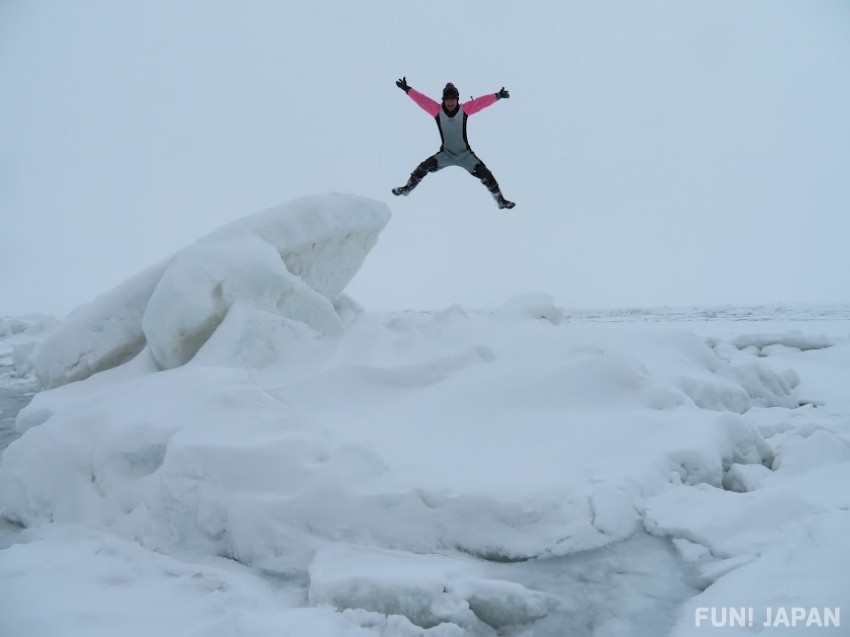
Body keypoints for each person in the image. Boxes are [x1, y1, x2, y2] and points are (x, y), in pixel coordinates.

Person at [392, 78, 515, 209]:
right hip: (446, 154)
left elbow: (481, 102)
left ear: (457, 99)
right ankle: (406, 189)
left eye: (453, 99)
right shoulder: (437, 111)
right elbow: (422, 100)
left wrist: (498, 95)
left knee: (486, 174)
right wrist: (407, 89)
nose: (450, 102)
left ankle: (500, 201)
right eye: (447, 99)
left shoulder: (464, 110)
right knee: (423, 167)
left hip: (465, 155)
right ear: (443, 100)